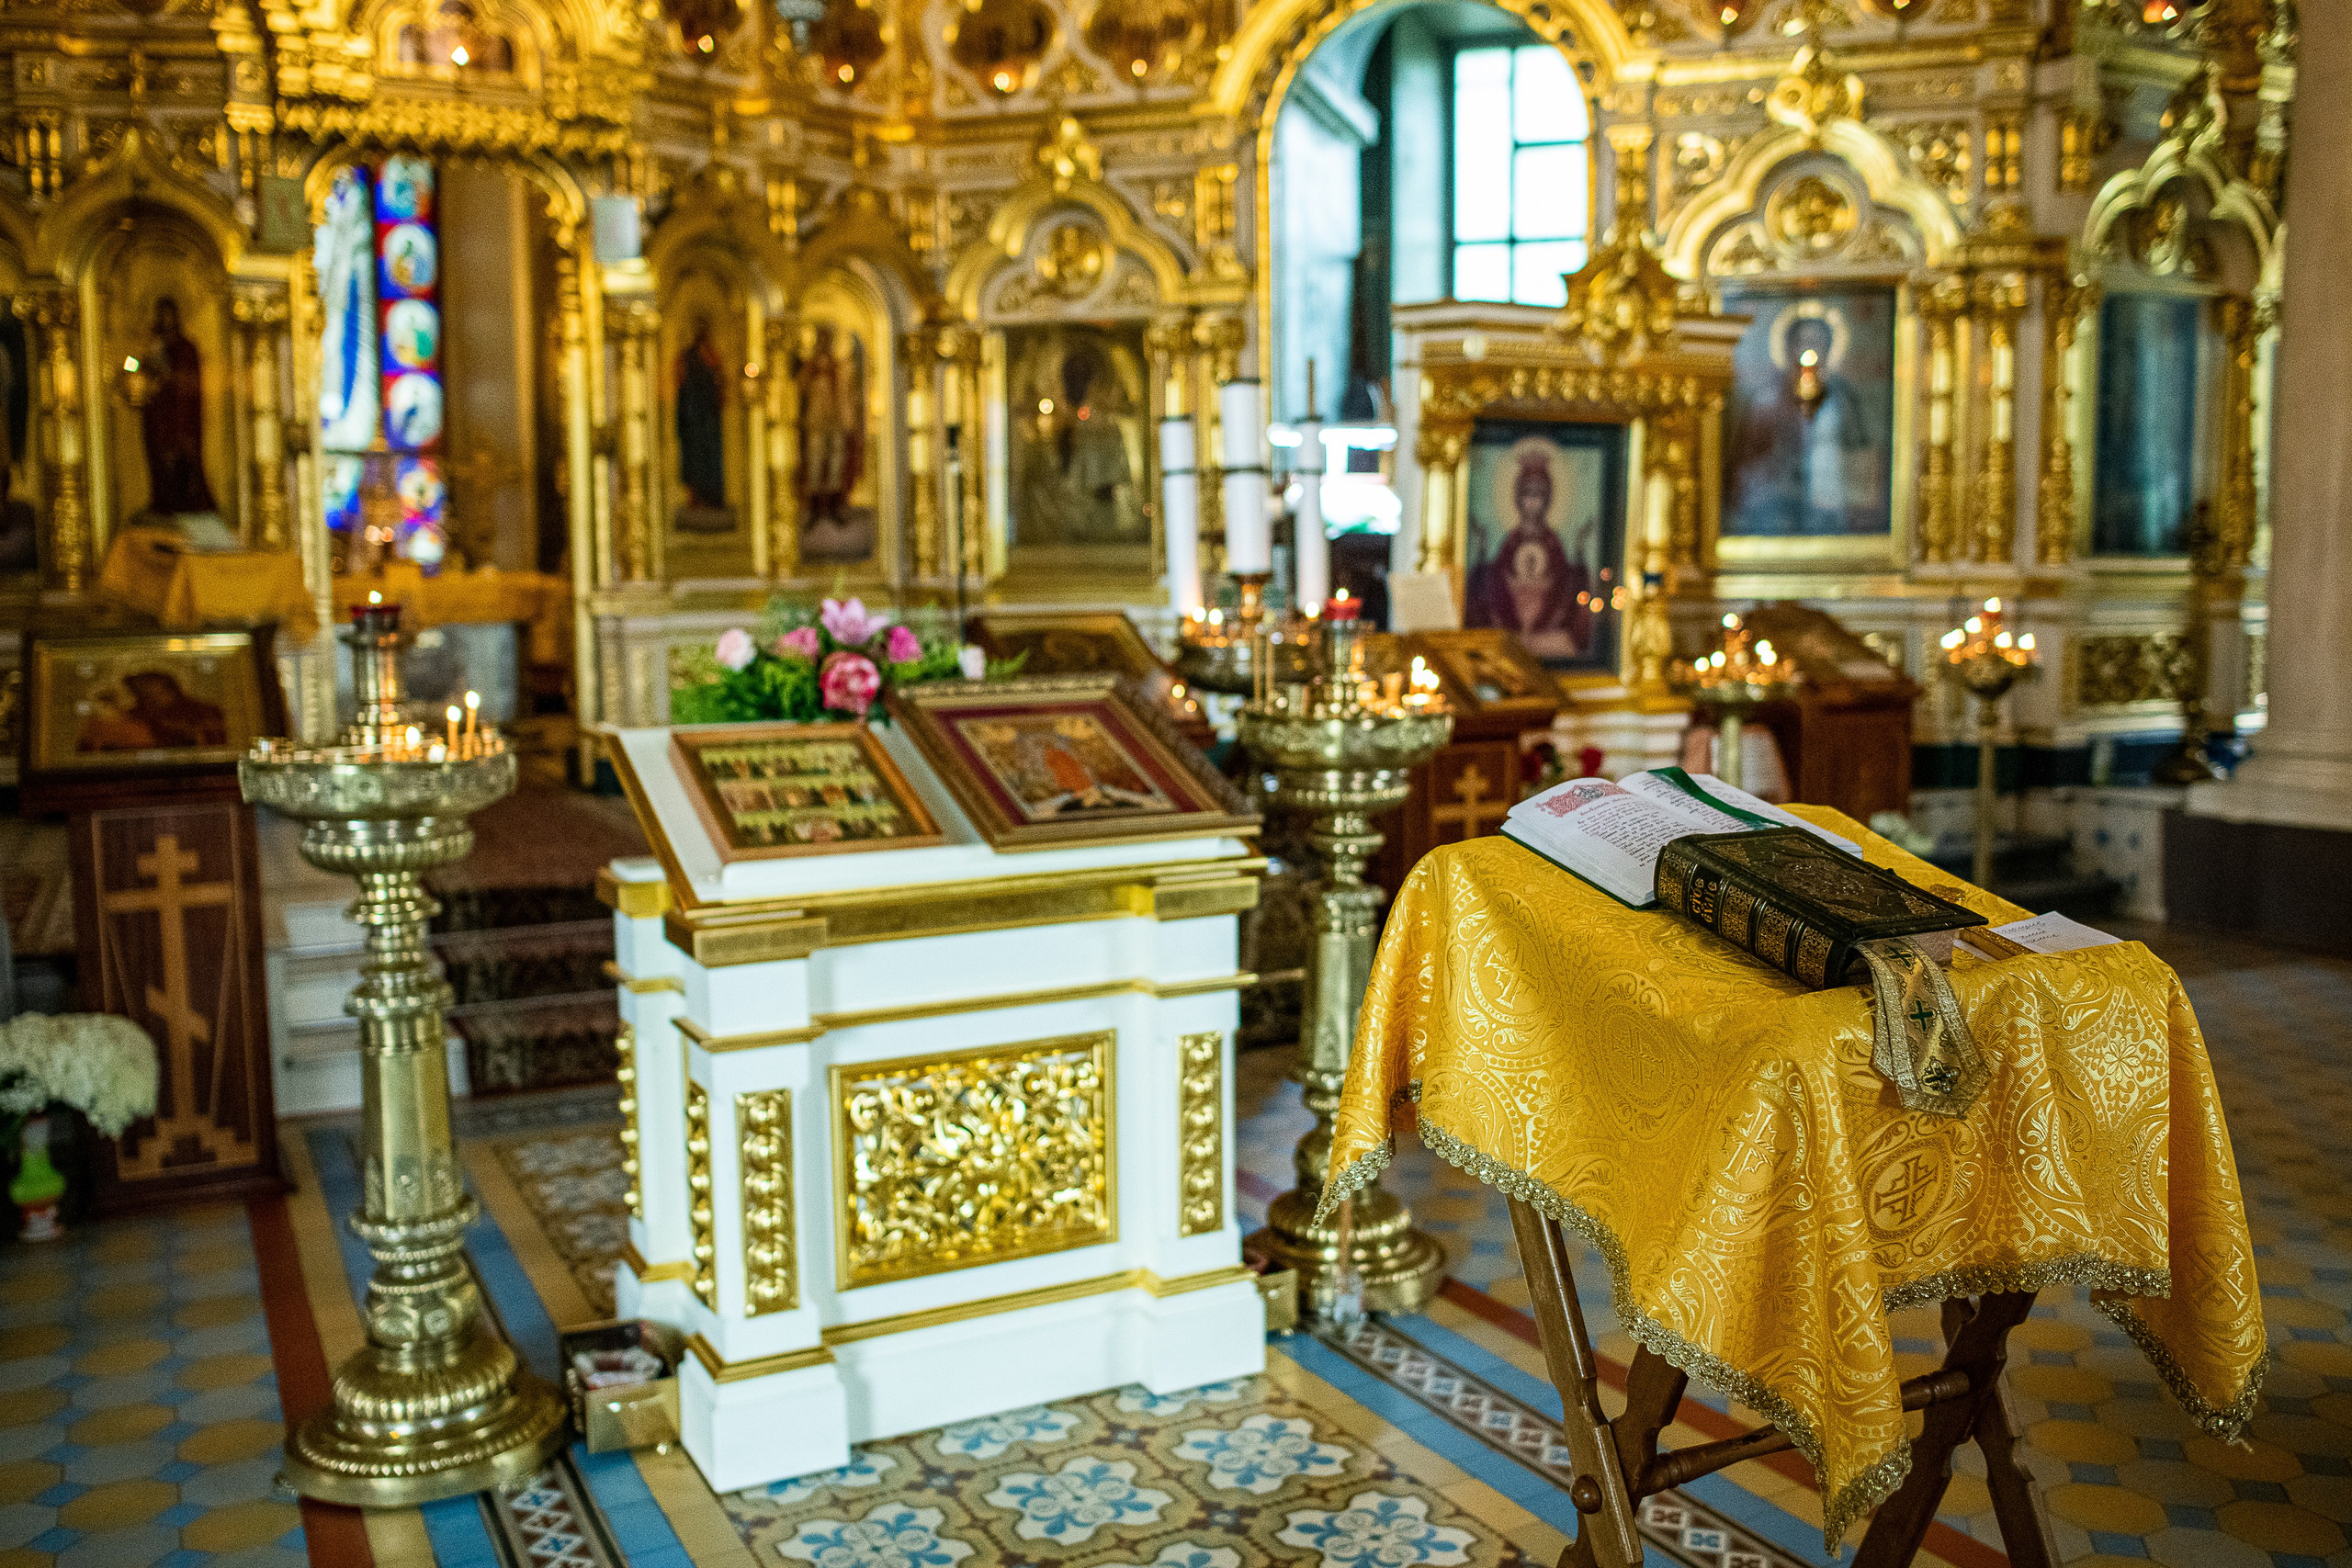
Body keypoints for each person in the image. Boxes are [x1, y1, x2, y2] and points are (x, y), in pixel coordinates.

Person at [1729, 309, 1878, 536]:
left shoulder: (1843, 399)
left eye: (1817, 342)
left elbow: (1862, 459)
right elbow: (1746, 464)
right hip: (1774, 510)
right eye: (1802, 342)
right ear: (1788, 349)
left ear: (1829, 350)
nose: (1809, 350)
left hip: (1831, 508)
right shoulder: (1766, 400)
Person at [1465, 447, 1594, 660]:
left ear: (1548, 498)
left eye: (1539, 494)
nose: (1532, 500)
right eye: (1527, 493)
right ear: (1517, 497)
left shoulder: (1553, 544)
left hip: (1548, 637)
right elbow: (1495, 582)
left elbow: (1565, 587)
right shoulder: (1510, 542)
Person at [140, 298, 218, 516]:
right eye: (161, 315)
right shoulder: (153, 345)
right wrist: (144, 361)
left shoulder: (186, 348)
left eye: (168, 314)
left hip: (181, 419)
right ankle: (163, 506)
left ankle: (188, 507)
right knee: (162, 467)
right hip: (159, 418)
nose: (165, 320)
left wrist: (168, 374)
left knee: (182, 466)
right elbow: (135, 370)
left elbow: (188, 382)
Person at [674, 318, 729, 528]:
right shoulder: (687, 356)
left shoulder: (712, 355)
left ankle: (711, 498)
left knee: (711, 456)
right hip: (692, 415)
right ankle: (695, 498)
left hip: (710, 416)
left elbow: (720, 380)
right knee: (694, 458)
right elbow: (680, 383)